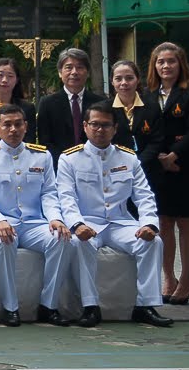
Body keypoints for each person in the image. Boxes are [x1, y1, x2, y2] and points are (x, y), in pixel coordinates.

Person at [54, 104, 174, 328]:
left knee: (153, 242)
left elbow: (144, 195)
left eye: (106, 125)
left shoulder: (128, 158)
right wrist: (77, 224)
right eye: (95, 124)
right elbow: (66, 197)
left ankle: (145, 306)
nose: (100, 130)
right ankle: (90, 307)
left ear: (115, 128)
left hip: (120, 222)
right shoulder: (69, 159)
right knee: (80, 243)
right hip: (88, 221)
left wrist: (149, 223)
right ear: (85, 127)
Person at [0, 103, 68, 327]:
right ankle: (10, 307)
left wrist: (55, 218)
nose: (13, 129)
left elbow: (49, 193)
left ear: (26, 126)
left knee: (61, 239)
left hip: (33, 223)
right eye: (7, 125)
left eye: (18, 124)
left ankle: (48, 305)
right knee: (3, 241)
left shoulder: (41, 156)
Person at [143, 41, 189, 306]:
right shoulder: (147, 93)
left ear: (180, 64)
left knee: (185, 221)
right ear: (154, 66)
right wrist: (159, 158)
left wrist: (174, 155)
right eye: (160, 62)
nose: (166, 66)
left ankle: (186, 278)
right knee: (164, 222)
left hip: (185, 165)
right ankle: (168, 277)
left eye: (171, 61)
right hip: (158, 166)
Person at [36, 47, 104, 157]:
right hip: (59, 164)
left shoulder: (100, 103)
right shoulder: (47, 103)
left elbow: (104, 137)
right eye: (69, 67)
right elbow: (45, 141)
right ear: (60, 72)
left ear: (87, 73)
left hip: (94, 163)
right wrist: (65, 162)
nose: (74, 72)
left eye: (80, 67)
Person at [106, 59, 156, 153]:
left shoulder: (152, 107)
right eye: (118, 79)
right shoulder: (105, 110)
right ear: (112, 82)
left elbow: (156, 141)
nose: (124, 83)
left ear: (138, 80)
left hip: (146, 164)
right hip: (115, 163)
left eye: (129, 78)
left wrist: (138, 163)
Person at [0, 58, 35, 142]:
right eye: (0, 75)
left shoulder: (27, 108)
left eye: (10, 76)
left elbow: (29, 138)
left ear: (16, 80)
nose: (4, 80)